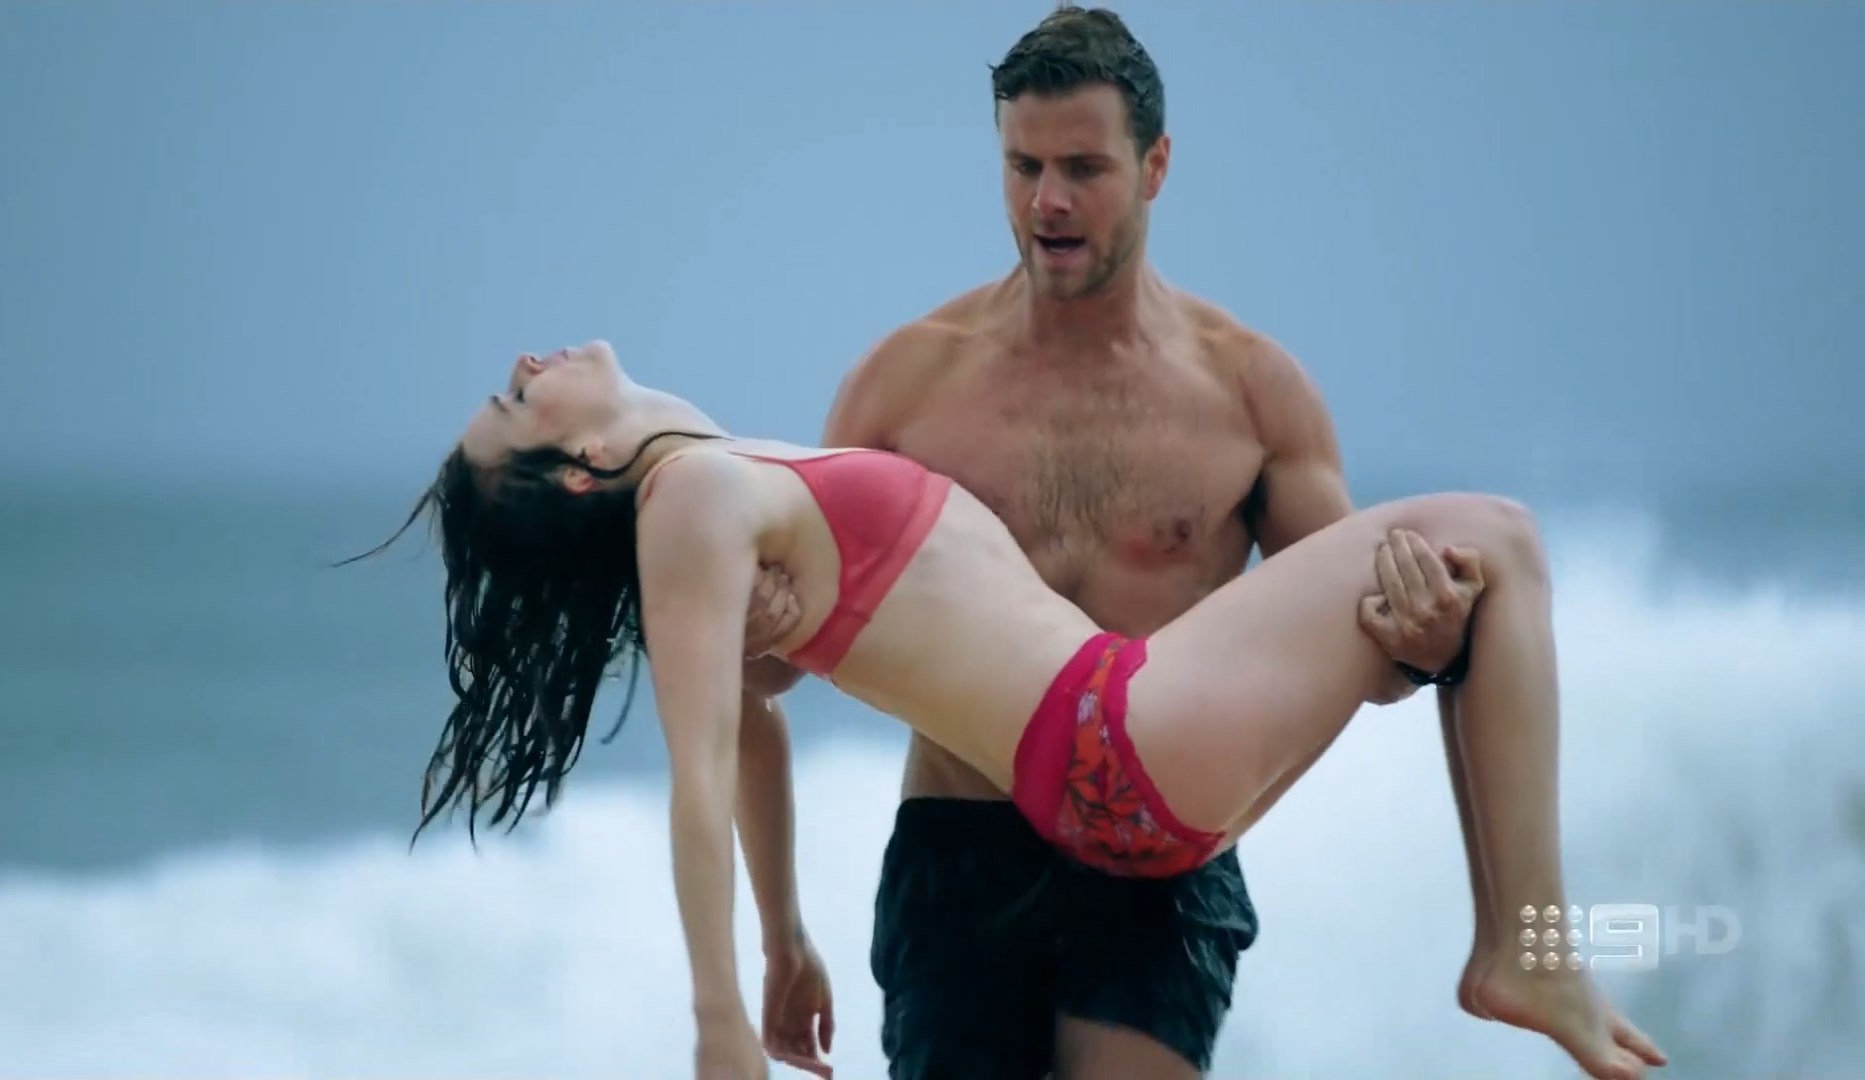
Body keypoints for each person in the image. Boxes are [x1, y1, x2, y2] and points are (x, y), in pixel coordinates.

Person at [378, 336, 1668, 1080]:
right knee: (1498, 535)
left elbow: (754, 721)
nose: (525, 365)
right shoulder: (695, 500)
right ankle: (1527, 952)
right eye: (514, 403)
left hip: (1111, 771)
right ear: (587, 468)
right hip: (1117, 732)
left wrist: (786, 942)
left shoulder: (715, 482)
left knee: (1468, 570)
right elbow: (703, 769)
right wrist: (721, 1031)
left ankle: (1520, 950)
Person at [738, 8, 1474, 1078]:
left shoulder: (1250, 394)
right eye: (1023, 166)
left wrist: (1425, 644)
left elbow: (1359, 650)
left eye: (1083, 168)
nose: (1048, 200)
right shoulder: (904, 386)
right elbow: (772, 669)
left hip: (1159, 858)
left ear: (1155, 165)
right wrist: (752, 631)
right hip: (962, 841)